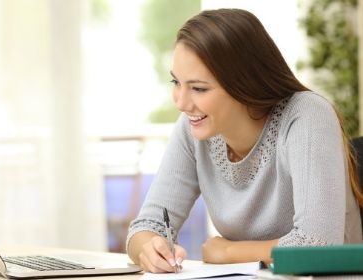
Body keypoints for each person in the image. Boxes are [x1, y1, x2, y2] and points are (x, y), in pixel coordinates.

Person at [126, 8, 363, 273]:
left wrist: (228, 251)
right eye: (176, 82)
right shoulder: (194, 128)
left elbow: (318, 247)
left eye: (199, 88)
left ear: (244, 83)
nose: (181, 102)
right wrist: (149, 248)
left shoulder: (306, 115)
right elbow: (146, 226)